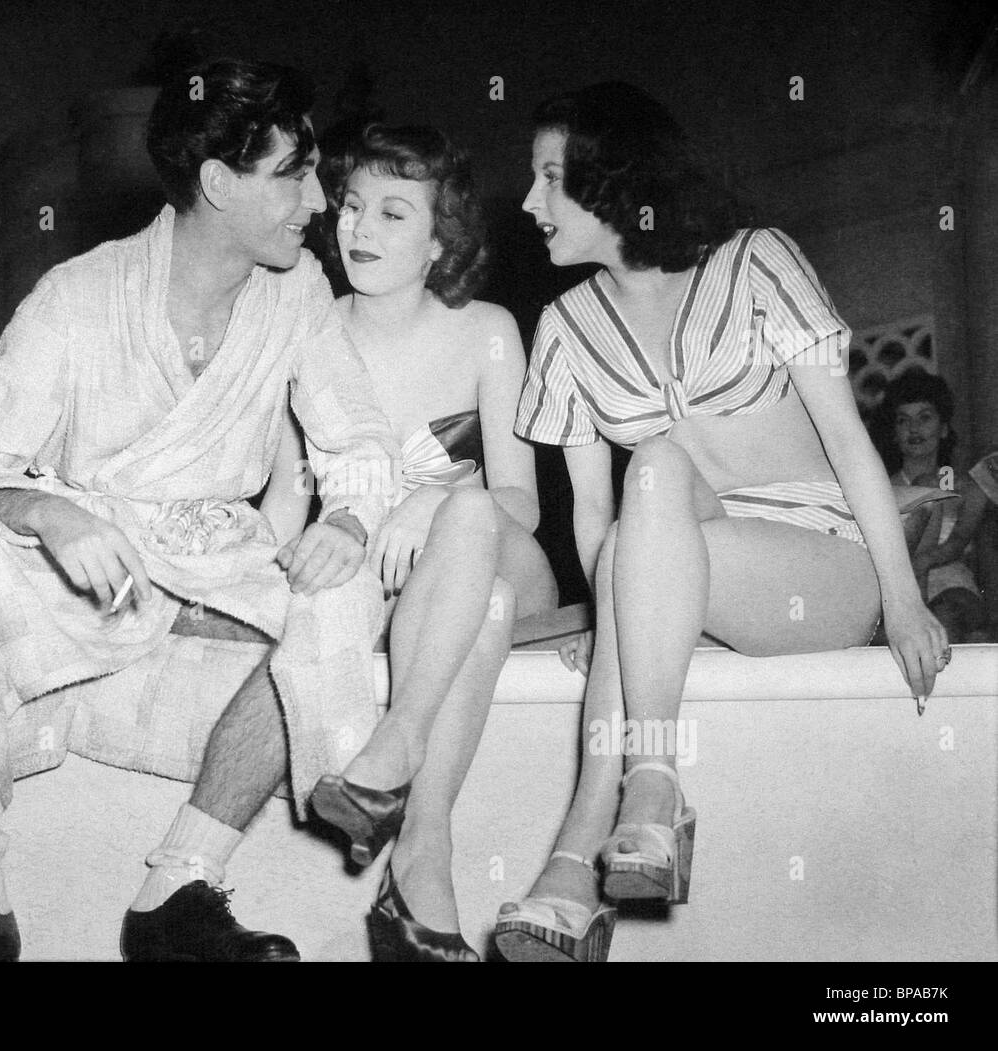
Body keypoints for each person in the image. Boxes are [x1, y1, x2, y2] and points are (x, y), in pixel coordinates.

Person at [0, 59, 399, 962]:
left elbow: (362, 443)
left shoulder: (297, 294)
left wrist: (346, 523)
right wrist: (46, 514)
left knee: (342, 590)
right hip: (84, 581)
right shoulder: (77, 296)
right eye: (295, 173)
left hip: (221, 571)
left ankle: (181, 885)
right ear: (219, 183)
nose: (318, 201)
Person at [493, 83, 948, 963]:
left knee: (652, 487)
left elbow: (852, 443)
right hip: (673, 563)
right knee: (653, 468)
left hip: (821, 564)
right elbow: (593, 511)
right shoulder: (564, 326)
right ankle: (650, 792)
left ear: (615, 179)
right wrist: (613, 616)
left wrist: (903, 597)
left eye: (551, 179)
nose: (528, 203)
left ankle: (582, 844)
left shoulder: (756, 262)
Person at [264, 124, 558, 960]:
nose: (358, 229)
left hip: (502, 554)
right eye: (352, 207)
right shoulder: (306, 335)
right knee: (481, 607)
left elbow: (520, 504)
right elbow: (285, 502)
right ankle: (424, 861)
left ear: (440, 241)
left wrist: (429, 502)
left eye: (394, 214)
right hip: (411, 604)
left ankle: (397, 740)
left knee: (469, 522)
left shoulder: (490, 329)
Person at [882, 370, 989, 643]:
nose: (914, 428)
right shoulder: (881, 489)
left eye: (925, 417)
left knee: (945, 619)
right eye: (903, 420)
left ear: (943, 429)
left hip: (952, 587)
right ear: (894, 433)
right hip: (896, 591)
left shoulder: (965, 485)